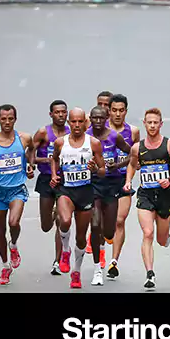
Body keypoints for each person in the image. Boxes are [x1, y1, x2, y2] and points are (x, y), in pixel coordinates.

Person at [124, 108, 170, 289]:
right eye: (149, 122)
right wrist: (128, 181)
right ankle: (149, 274)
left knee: (160, 239)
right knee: (147, 233)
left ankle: (165, 235)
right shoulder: (137, 148)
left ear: (161, 124)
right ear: (144, 124)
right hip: (145, 194)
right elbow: (132, 165)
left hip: (165, 195)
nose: (152, 126)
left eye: (155, 123)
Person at [0, 104, 36, 285]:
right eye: (4, 119)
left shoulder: (24, 138)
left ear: (15, 119)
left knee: (14, 222)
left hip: (17, 189)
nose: (7, 122)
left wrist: (30, 166)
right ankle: (5, 266)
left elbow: (32, 150)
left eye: (10, 118)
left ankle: (14, 245)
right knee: (0, 230)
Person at [50, 107, 106, 289]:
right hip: (66, 190)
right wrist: (53, 175)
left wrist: (95, 170)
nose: (76, 125)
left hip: (85, 192)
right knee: (64, 221)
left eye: (80, 121)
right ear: (68, 122)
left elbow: (103, 170)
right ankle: (65, 251)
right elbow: (54, 159)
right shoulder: (60, 142)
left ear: (85, 123)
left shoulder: (94, 143)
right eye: (73, 121)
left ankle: (76, 271)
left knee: (81, 238)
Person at [86, 106, 131, 285]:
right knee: (95, 225)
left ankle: (104, 241)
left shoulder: (114, 136)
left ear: (107, 118)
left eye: (101, 118)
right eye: (94, 118)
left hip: (112, 185)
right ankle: (97, 269)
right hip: (92, 185)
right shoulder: (86, 136)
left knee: (109, 231)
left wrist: (119, 165)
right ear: (90, 118)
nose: (98, 121)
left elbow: (133, 154)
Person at [32, 100, 70, 276]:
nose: (61, 115)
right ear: (51, 114)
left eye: (63, 112)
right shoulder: (43, 133)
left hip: (66, 180)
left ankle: (58, 260)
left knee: (63, 222)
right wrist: (40, 161)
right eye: (57, 112)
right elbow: (29, 152)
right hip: (46, 179)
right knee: (46, 226)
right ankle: (53, 213)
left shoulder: (72, 132)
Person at [107, 93, 140, 279]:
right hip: (102, 182)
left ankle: (114, 262)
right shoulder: (100, 129)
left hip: (122, 181)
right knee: (105, 224)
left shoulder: (133, 131)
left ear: (126, 111)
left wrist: (129, 177)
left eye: (121, 110)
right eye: (114, 110)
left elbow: (134, 158)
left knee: (120, 220)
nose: (117, 114)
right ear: (109, 111)